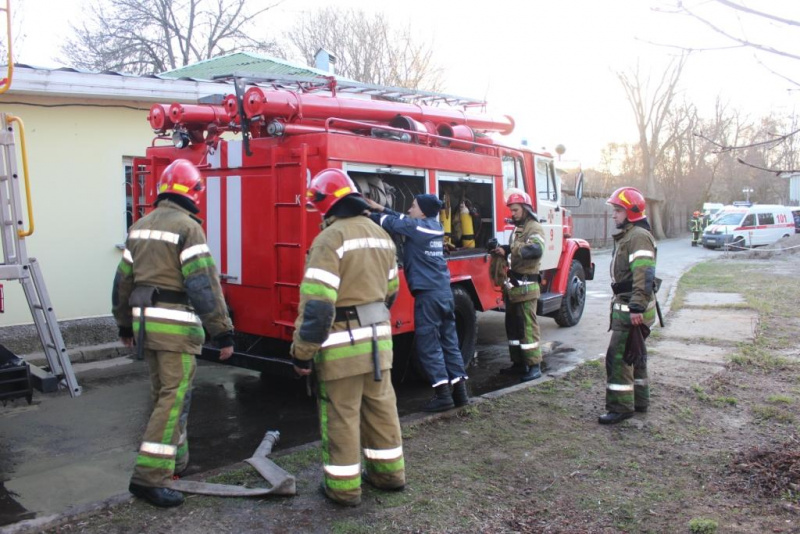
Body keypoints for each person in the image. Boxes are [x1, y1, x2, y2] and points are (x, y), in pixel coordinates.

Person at [112, 159, 234, 507]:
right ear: (194, 191)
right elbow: (203, 284)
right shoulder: (188, 227)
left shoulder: (138, 227)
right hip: (176, 328)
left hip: (146, 326)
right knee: (173, 399)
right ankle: (150, 478)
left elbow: (122, 281)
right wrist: (221, 332)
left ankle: (175, 464)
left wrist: (124, 323)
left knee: (163, 396)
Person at [291, 168, 405, 507]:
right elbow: (391, 293)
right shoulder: (381, 235)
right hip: (379, 345)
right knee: (382, 409)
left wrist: (302, 353)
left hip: (341, 346)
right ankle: (389, 475)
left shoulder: (329, 239)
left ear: (326, 205)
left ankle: (343, 490)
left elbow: (318, 306)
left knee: (341, 415)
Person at [366, 194, 470, 412]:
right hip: (443, 293)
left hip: (429, 296)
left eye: (413, 206)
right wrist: (380, 207)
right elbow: (403, 218)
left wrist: (369, 213)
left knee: (428, 345)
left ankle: (442, 395)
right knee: (449, 342)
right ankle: (460, 393)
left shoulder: (418, 228)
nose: (410, 209)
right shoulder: (433, 226)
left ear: (422, 212)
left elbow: (394, 223)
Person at [599, 186, 657, 425]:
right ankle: (640, 401)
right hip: (634, 306)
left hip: (632, 308)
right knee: (636, 355)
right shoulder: (632, 235)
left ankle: (621, 407)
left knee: (619, 358)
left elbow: (644, 274)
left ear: (630, 212)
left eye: (618, 210)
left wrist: (636, 308)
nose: (614, 215)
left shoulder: (638, 237)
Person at [489, 190, 546, 383]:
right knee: (512, 328)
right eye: (511, 210)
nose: (512, 213)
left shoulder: (534, 228)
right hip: (514, 289)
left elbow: (535, 250)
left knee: (528, 328)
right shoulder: (519, 229)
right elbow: (517, 251)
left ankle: (534, 365)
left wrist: (510, 248)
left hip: (527, 289)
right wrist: (503, 250)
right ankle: (518, 363)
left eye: (515, 210)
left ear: (526, 209)